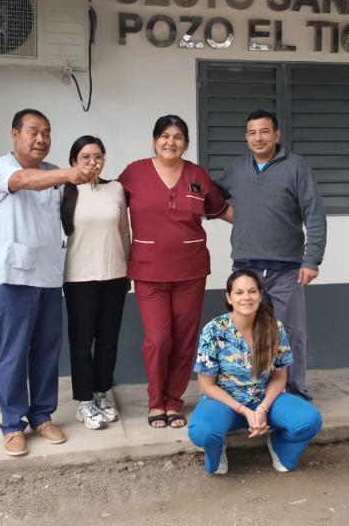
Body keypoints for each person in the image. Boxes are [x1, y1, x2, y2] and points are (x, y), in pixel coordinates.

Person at [0, 108, 95, 457]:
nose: (41, 139)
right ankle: (12, 425)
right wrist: (68, 174)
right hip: (15, 277)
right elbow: (22, 181)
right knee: (13, 354)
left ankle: (42, 416)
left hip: (49, 276)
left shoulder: (53, 173)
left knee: (47, 352)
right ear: (15, 134)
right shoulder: (0, 167)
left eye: (46, 132)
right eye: (33, 131)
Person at [117, 115, 228, 429]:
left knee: (184, 339)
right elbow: (105, 202)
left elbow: (221, 209)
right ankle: (156, 401)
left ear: (186, 144)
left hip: (190, 271)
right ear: (155, 141)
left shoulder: (197, 175)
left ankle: (173, 401)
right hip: (149, 271)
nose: (171, 142)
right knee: (158, 339)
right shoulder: (134, 173)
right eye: (164, 136)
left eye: (178, 137)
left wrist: (265, 219)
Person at [216, 109, 327, 400]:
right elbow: (212, 198)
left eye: (264, 131)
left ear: (277, 135)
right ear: (246, 137)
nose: (258, 138)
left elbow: (314, 214)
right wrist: (234, 216)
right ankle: (253, 390)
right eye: (252, 133)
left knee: (290, 333)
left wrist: (312, 259)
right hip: (246, 268)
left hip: (287, 269)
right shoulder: (236, 169)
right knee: (248, 331)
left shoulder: (296, 166)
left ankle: (294, 394)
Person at [187, 269, 323, 474]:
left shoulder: (274, 327)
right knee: (202, 432)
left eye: (252, 291)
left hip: (264, 401)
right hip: (223, 404)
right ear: (229, 298)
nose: (246, 297)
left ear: (260, 295)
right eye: (239, 292)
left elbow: (279, 377)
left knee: (309, 420)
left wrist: (262, 409)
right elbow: (207, 385)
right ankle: (216, 446)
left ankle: (279, 444)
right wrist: (243, 410)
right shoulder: (213, 330)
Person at [61, 136, 130, 430]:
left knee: (108, 340)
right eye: (86, 157)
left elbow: (124, 232)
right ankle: (84, 400)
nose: (93, 162)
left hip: (114, 275)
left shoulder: (116, 189)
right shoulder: (64, 190)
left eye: (98, 156)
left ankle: (102, 392)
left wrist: (127, 267)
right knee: (81, 342)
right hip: (79, 278)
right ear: (74, 161)